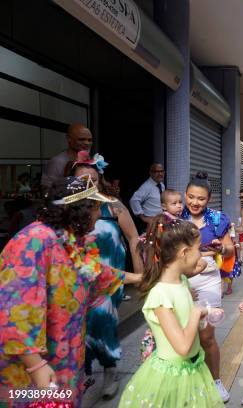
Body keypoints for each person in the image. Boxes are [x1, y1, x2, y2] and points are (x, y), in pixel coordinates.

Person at [0, 176, 140, 405]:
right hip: (32, 369)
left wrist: (141, 278)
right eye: (96, 207)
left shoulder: (71, 240)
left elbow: (97, 273)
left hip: (66, 359)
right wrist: (36, 365)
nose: (99, 213)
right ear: (80, 210)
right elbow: (15, 310)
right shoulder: (34, 241)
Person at [118, 215, 224, 407]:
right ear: (184, 252)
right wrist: (195, 313)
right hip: (172, 377)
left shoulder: (182, 281)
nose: (201, 255)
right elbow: (182, 347)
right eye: (198, 249)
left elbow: (184, 322)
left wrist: (202, 315)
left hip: (192, 369)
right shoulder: (160, 294)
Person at [71, 152, 144, 397]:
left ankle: (110, 370)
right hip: (77, 278)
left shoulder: (113, 205)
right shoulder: (68, 210)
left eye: (92, 179)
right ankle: (85, 371)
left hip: (111, 280)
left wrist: (140, 275)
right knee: (80, 326)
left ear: (100, 180)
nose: (88, 185)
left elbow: (134, 239)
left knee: (104, 320)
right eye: (82, 180)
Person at [180, 172, 234, 402]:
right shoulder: (175, 217)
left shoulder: (217, 219)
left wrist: (221, 249)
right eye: (191, 197)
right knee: (183, 335)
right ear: (185, 195)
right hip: (181, 279)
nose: (195, 202)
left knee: (207, 336)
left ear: (208, 199)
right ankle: (187, 381)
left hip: (209, 279)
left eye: (200, 199)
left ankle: (216, 381)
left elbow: (230, 249)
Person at [41, 123, 93, 189]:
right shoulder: (57, 162)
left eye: (89, 140)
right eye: (81, 139)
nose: (86, 143)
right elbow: (46, 191)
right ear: (69, 139)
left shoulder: (91, 160)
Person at [129, 163, 165, 228]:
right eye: (156, 172)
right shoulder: (146, 186)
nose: (160, 174)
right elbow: (134, 200)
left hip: (160, 222)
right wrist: (143, 217)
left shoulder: (161, 185)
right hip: (150, 224)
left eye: (161, 171)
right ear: (151, 173)